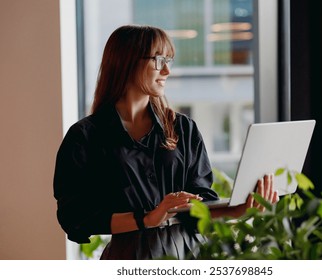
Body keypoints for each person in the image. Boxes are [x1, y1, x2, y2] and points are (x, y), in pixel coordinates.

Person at [53, 25, 279, 260]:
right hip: (130, 257)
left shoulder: (183, 128)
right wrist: (148, 218)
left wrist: (237, 210)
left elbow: (200, 201)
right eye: (160, 60)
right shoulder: (85, 137)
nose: (168, 71)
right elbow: (75, 217)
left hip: (193, 254)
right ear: (128, 62)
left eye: (169, 60)